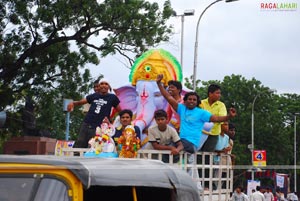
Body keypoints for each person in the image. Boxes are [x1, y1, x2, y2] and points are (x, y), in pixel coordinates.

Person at [156, 74, 236, 153]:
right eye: (189, 99)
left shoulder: (201, 113)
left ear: (197, 102)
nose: (192, 101)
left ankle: (178, 151)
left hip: (191, 144)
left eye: (194, 100)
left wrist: (229, 116)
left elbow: (216, 119)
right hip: (181, 141)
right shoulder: (181, 108)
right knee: (167, 148)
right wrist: (159, 84)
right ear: (185, 101)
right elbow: (168, 97)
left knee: (175, 146)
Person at [67, 79, 121, 148]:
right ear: (99, 86)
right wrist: (73, 103)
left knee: (95, 146)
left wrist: (111, 122)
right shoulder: (94, 96)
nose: (103, 86)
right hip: (87, 124)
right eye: (102, 84)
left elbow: (121, 111)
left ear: (109, 86)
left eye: (106, 84)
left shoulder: (112, 97)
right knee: (79, 144)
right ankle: (75, 158)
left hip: (100, 127)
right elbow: (80, 102)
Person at [200, 84, 228, 152]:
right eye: (217, 93)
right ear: (210, 93)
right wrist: (215, 118)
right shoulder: (201, 103)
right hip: (201, 132)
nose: (219, 95)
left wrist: (208, 118)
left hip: (213, 134)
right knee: (197, 153)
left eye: (220, 93)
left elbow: (222, 118)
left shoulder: (221, 105)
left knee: (208, 155)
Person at [213, 121, 232, 190]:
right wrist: (222, 151)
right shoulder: (216, 136)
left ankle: (219, 189)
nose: (227, 127)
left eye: (227, 125)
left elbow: (225, 149)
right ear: (220, 125)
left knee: (222, 178)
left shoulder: (227, 137)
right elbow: (212, 149)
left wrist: (227, 149)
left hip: (223, 160)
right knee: (215, 178)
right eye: (225, 125)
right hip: (215, 160)